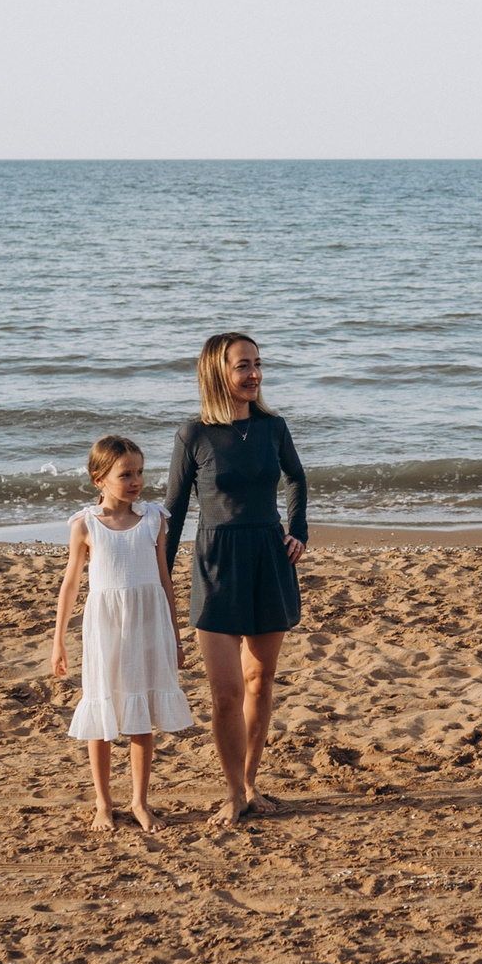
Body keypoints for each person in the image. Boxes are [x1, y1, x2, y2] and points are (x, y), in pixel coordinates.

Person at [168, 333, 308, 827]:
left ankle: (250, 783)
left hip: (269, 558)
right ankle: (232, 793)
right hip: (217, 564)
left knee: (260, 680)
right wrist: (162, 582)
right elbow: (175, 510)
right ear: (217, 373)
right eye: (242, 366)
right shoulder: (194, 435)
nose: (254, 374)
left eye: (257, 364)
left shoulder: (273, 428)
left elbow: (297, 477)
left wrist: (299, 532)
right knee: (225, 692)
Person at [50, 434, 192, 832]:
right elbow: (71, 584)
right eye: (125, 474)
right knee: (102, 711)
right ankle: (102, 803)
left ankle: (140, 803)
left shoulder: (154, 519)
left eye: (140, 472)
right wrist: (58, 640)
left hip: (148, 625)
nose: (136, 481)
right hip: (106, 627)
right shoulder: (84, 525)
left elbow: (165, 582)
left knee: (140, 716)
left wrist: (176, 637)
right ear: (99, 479)